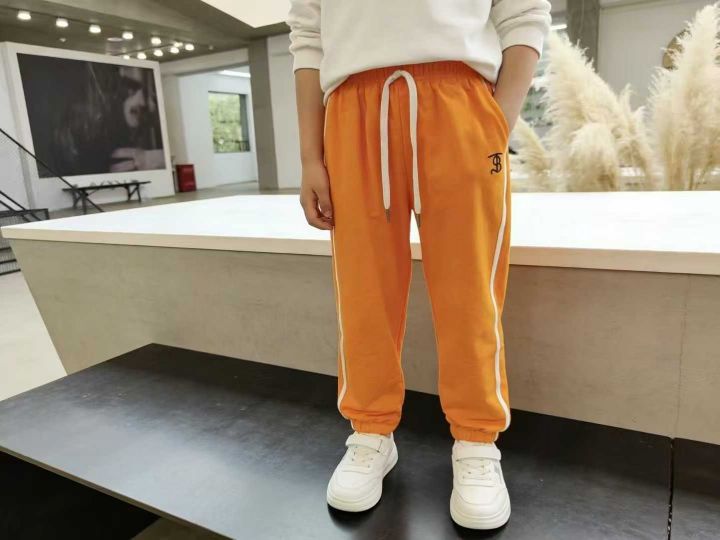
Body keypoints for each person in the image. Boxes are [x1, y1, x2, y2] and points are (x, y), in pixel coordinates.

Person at [287, 0, 551, 529]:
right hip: (351, 111)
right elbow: (308, 37)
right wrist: (311, 157)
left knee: (471, 292)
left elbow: (525, 13)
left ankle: (476, 441)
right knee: (363, 293)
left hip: (461, 105)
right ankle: (371, 432)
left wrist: (495, 124)